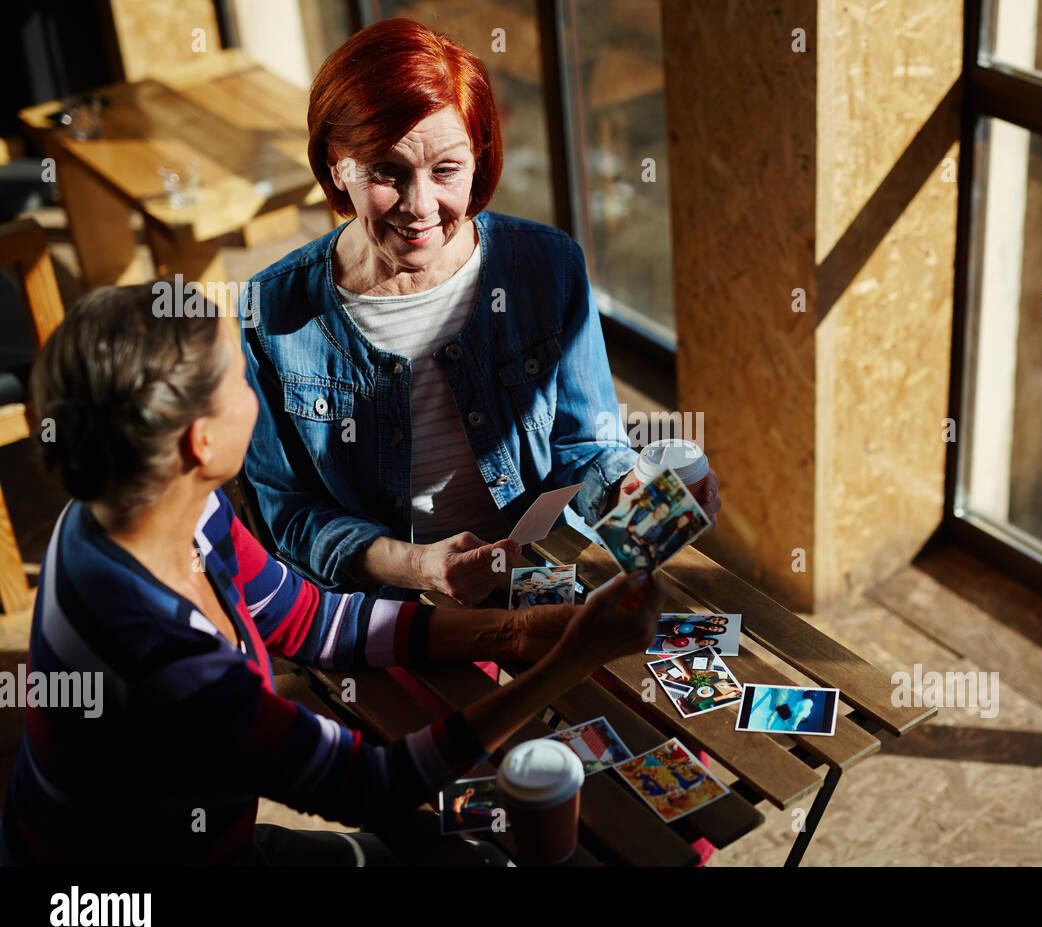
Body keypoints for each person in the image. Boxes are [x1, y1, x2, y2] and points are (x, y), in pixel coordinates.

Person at [0, 285, 666, 866]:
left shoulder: (132, 509)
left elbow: (309, 620)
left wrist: (513, 632)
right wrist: (573, 658)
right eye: (237, 379)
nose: (253, 391)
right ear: (199, 442)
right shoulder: (166, 660)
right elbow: (370, 786)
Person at [239, 19, 720, 604]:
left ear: (479, 158)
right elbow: (288, 513)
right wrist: (418, 567)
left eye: (446, 170)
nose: (420, 208)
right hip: (381, 602)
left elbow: (584, 446)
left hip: (537, 576)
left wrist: (634, 491)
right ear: (337, 164)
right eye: (386, 172)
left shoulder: (549, 268)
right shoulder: (272, 313)